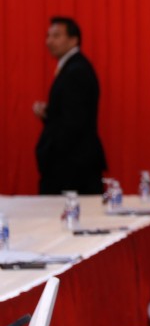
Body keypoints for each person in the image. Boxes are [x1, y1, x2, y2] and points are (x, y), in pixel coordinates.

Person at [33, 16, 107, 195]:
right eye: (48, 36)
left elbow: (74, 122)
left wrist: (48, 151)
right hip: (71, 165)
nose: (49, 41)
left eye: (56, 36)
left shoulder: (77, 71)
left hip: (72, 168)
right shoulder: (71, 68)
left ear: (74, 40)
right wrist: (49, 113)